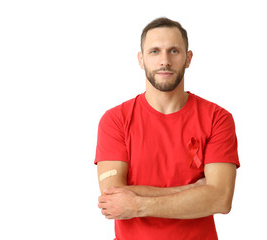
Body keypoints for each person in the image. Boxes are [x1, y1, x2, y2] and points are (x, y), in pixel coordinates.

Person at [94, 17, 240, 240]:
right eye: (154, 51)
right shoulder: (115, 120)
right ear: (141, 60)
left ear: (188, 58)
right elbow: (112, 197)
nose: (164, 61)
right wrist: (196, 190)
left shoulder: (217, 118)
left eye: (174, 51)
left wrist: (137, 205)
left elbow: (221, 200)